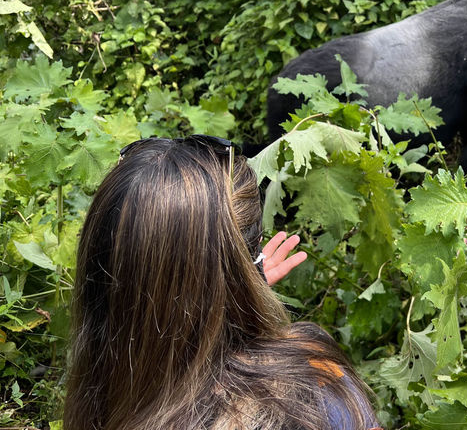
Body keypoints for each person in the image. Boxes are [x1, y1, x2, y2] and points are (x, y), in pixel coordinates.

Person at [64, 135, 381, 430]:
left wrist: (234, 293)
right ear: (250, 254)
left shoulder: (103, 391)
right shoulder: (317, 385)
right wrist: (238, 295)